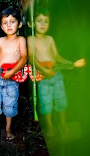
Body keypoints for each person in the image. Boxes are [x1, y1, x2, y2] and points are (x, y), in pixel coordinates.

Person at [0, 7, 27, 140]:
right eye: (5, 22)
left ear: (19, 24)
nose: (8, 25)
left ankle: (8, 129)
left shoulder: (21, 40)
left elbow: (24, 58)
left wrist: (12, 72)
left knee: (10, 104)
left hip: (12, 78)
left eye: (12, 21)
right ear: (1, 26)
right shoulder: (0, 41)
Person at [27, 8, 72, 137]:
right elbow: (31, 57)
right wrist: (44, 70)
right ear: (32, 23)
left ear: (49, 23)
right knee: (46, 104)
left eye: (46, 21)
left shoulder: (50, 39)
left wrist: (67, 62)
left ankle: (62, 125)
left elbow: (56, 56)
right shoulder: (31, 39)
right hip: (43, 77)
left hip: (56, 74)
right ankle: (50, 127)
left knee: (61, 100)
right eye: (39, 21)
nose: (42, 24)